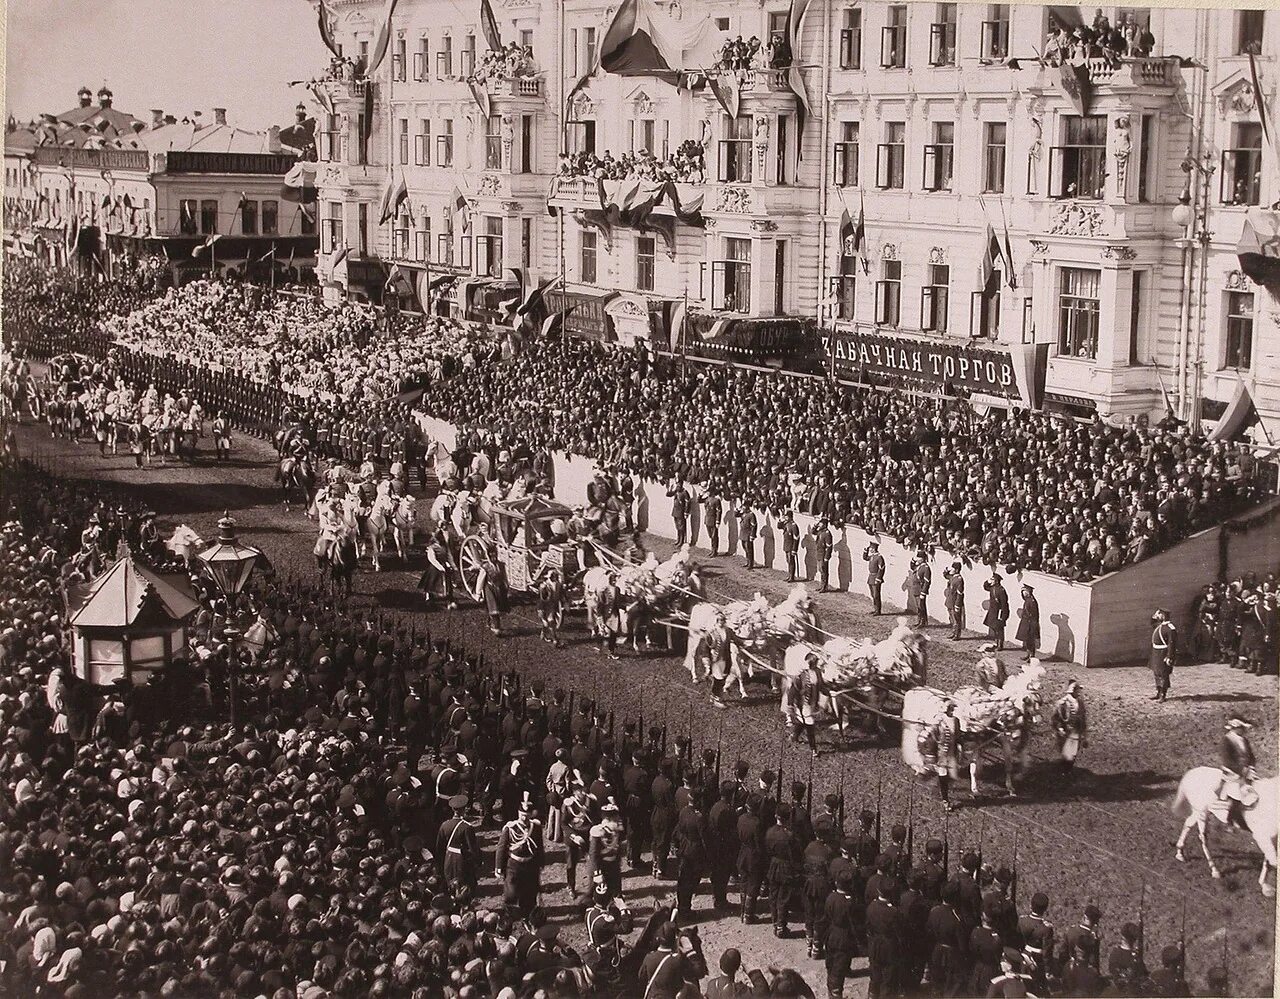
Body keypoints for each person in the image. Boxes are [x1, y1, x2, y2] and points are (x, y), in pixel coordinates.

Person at [495, 793, 544, 916]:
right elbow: (501, 848)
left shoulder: (536, 827)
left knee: (530, 893)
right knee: (511, 893)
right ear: (518, 814)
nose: (524, 818)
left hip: (530, 864)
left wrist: (541, 862)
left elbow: (539, 846)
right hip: (514, 865)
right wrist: (499, 867)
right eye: (522, 815)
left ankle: (527, 915)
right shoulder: (511, 828)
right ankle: (508, 916)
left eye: (526, 815)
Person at [1218, 714, 1257, 830]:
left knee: (1256, 787)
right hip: (1232, 771)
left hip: (1246, 770)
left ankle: (1251, 814)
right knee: (1236, 792)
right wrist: (1240, 770)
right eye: (1241, 728)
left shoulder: (1244, 740)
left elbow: (1251, 756)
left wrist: (1251, 767)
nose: (1244, 731)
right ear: (1235, 728)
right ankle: (1229, 820)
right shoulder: (1227, 740)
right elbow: (1227, 760)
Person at [1051, 680, 1087, 773]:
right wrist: (1060, 728)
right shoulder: (1062, 703)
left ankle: (1068, 771)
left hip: (1076, 731)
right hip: (1065, 732)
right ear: (1072, 691)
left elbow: (1083, 718)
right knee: (1067, 755)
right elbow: (1055, 718)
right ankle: (1064, 772)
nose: (1078, 692)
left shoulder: (1080, 702)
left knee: (1073, 753)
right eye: (1077, 690)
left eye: (1078, 690)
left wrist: (1084, 734)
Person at [1149, 607, 1177, 701]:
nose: (1158, 615)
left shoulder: (1170, 628)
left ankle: (1163, 694)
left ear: (1164, 615)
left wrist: (1169, 657)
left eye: (1159, 614)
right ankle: (1158, 692)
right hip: (1156, 653)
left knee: (1163, 674)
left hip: (1163, 653)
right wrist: (1154, 616)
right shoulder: (1159, 625)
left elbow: (1172, 644)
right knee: (1156, 673)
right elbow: (1152, 623)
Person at [984, 572, 1009, 650]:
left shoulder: (1001, 590)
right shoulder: (993, 588)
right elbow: (986, 587)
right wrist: (987, 582)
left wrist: (1003, 616)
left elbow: (1004, 604)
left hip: (998, 612)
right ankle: (995, 642)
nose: (991, 581)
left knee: (999, 629)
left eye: (993, 579)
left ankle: (1000, 645)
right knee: (994, 628)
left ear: (997, 581)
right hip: (993, 611)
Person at [1015, 584, 1039, 661]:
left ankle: (1032, 656)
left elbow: (1033, 614)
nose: (1024, 593)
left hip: (1031, 623)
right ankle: (1028, 654)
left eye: (1025, 591)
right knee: (1027, 639)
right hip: (1027, 622)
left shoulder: (1032, 601)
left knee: (1031, 640)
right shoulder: (1028, 599)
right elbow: (1023, 597)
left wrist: (1031, 623)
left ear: (1029, 592)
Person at [863, 540, 886, 615]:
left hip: (876, 577)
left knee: (876, 595)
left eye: (871, 548)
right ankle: (875, 609)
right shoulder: (872, 556)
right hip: (871, 577)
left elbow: (881, 568)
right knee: (873, 594)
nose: (870, 550)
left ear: (874, 549)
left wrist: (878, 578)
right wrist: (865, 551)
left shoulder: (879, 557)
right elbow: (865, 558)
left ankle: (878, 611)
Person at [944, 561, 965, 639]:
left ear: (956, 570)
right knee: (951, 618)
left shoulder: (959, 579)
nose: (951, 570)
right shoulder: (953, 577)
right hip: (950, 601)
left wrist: (957, 605)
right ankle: (953, 632)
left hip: (954, 602)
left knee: (956, 619)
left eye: (952, 568)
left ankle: (957, 634)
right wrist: (945, 572)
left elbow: (960, 594)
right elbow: (946, 576)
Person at [812, 518, 833, 591]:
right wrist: (815, 526)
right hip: (819, 553)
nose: (819, 525)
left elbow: (829, 546)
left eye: (820, 524)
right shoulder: (820, 531)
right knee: (821, 570)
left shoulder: (827, 534)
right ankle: (822, 586)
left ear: (824, 525)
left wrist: (826, 557)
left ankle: (824, 587)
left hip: (823, 554)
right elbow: (813, 532)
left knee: (824, 571)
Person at [782, 509, 801, 583]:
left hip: (791, 546)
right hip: (786, 545)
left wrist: (794, 549)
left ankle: (792, 576)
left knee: (791, 561)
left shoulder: (793, 526)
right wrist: (781, 520)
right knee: (788, 561)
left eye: (787, 517)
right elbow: (779, 526)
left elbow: (796, 538)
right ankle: (789, 575)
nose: (786, 518)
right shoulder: (786, 524)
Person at [703, 489, 723, 556]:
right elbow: (699, 500)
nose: (707, 493)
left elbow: (719, 511)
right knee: (710, 535)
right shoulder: (707, 499)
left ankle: (714, 551)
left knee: (714, 536)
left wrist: (718, 521)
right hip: (707, 519)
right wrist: (700, 495)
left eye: (708, 492)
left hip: (713, 519)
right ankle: (712, 549)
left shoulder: (716, 500)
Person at [738, 504, 758, 570]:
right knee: (745, 548)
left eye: (744, 508)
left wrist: (752, 535)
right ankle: (747, 562)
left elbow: (753, 526)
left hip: (748, 533)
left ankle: (751, 564)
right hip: (743, 533)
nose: (743, 510)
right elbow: (736, 515)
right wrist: (737, 510)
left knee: (749, 549)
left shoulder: (751, 515)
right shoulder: (743, 514)